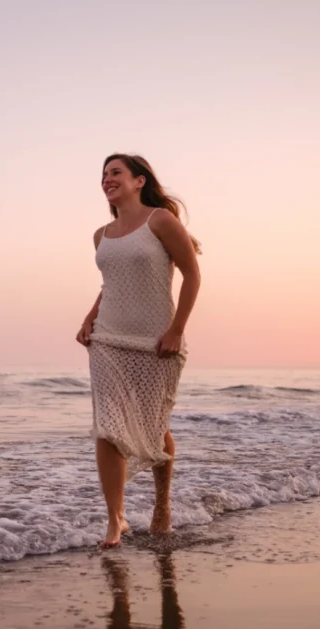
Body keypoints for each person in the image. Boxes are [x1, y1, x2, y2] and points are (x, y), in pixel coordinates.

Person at [75, 154, 201, 549]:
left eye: (116, 172)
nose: (107, 179)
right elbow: (110, 284)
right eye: (103, 175)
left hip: (155, 340)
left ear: (139, 180)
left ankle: (162, 505)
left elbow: (192, 275)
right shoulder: (101, 234)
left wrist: (177, 330)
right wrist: (89, 317)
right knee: (108, 425)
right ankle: (116, 520)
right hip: (108, 340)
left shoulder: (160, 222)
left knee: (153, 423)